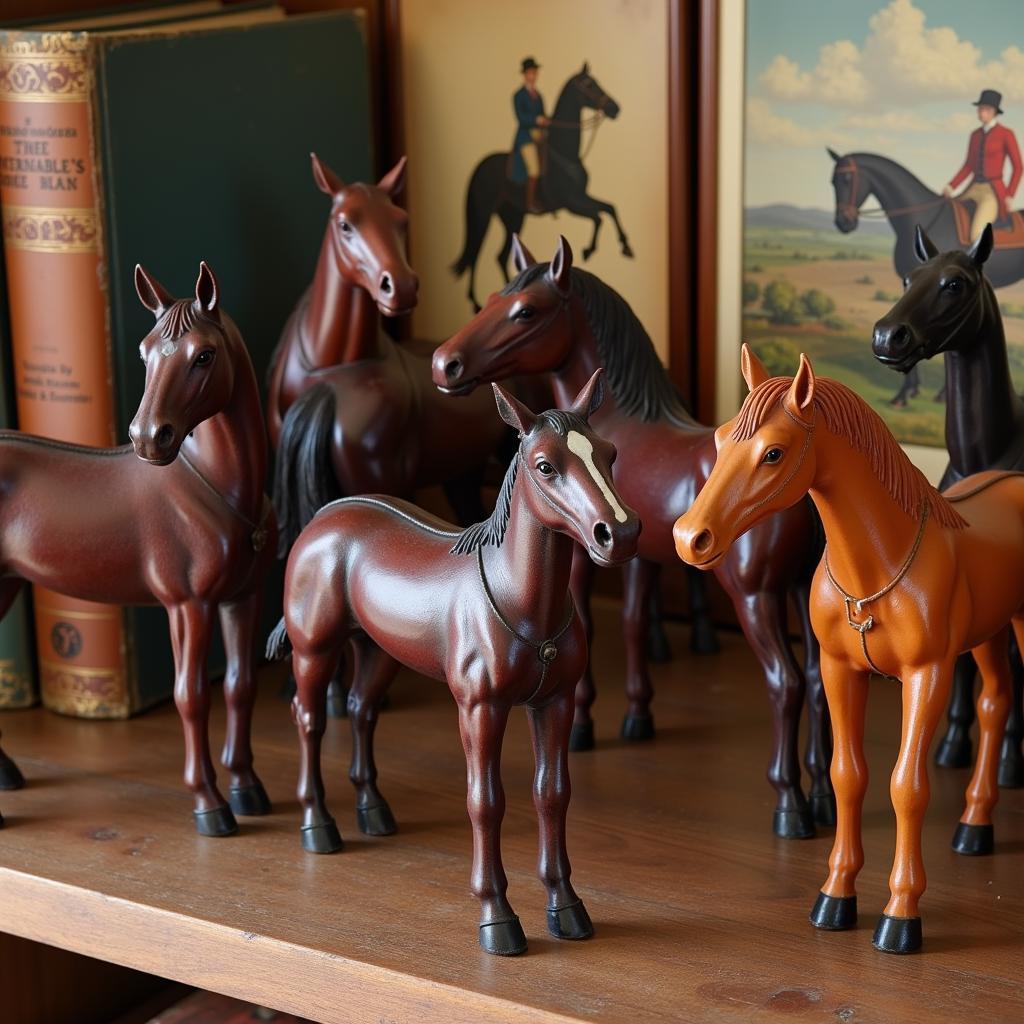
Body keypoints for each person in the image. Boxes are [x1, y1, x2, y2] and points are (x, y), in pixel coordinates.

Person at [945, 88, 1022, 241]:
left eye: (985, 109)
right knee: (948, 214)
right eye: (980, 109)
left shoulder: (1006, 134)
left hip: (992, 192)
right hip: (973, 187)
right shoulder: (975, 135)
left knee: (976, 234)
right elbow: (968, 165)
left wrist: (1010, 194)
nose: (981, 113)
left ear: (994, 111)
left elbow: (1019, 167)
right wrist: (951, 186)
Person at [512, 57, 549, 213]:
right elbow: (522, 118)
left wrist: (546, 121)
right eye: (530, 73)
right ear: (525, 75)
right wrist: (536, 119)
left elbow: (543, 114)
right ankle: (530, 203)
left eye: (535, 72)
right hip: (526, 137)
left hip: (539, 135)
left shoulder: (538, 95)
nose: (533, 75)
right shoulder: (519, 95)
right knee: (534, 169)